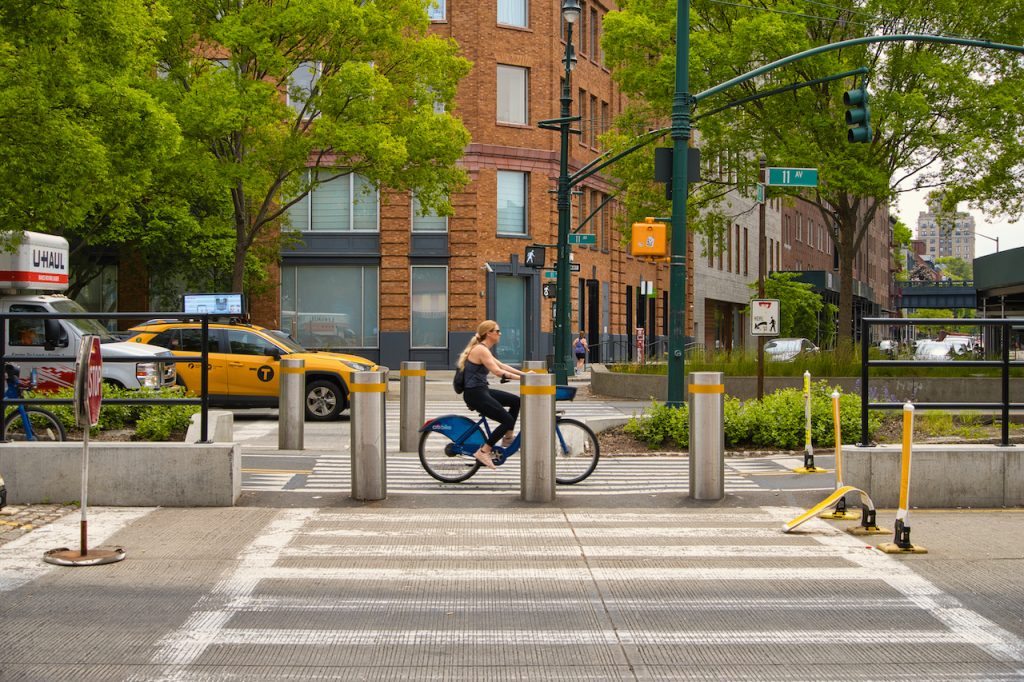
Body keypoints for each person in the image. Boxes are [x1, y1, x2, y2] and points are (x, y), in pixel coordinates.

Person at [457, 320, 526, 469]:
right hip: (475, 394)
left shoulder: (484, 349)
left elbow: (501, 365)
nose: (500, 334)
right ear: (489, 333)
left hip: (482, 390)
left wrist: (525, 374)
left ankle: (508, 438)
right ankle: (484, 451)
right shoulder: (480, 350)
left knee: (516, 401)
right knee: (507, 420)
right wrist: (523, 379)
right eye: (497, 331)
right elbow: (497, 372)